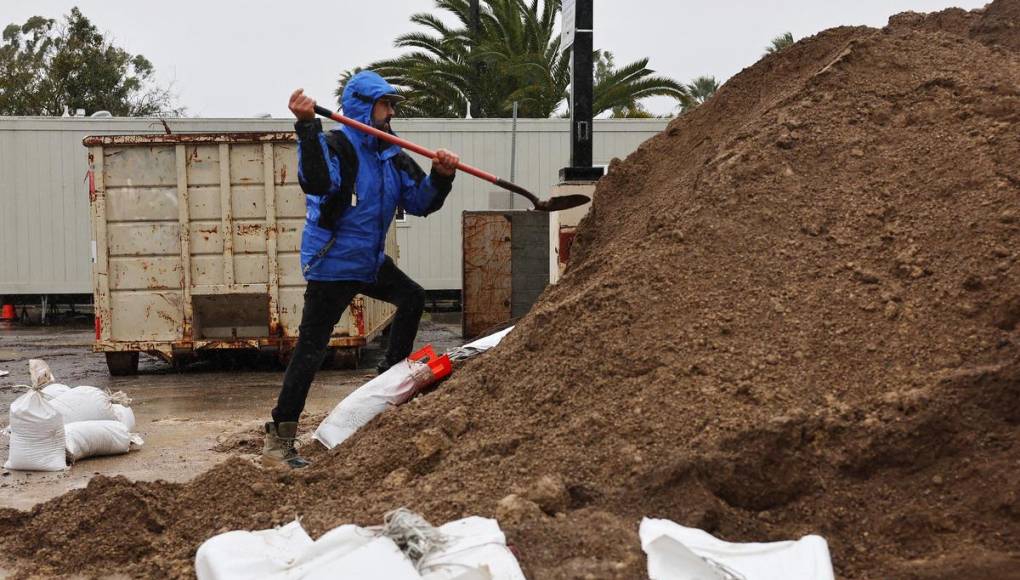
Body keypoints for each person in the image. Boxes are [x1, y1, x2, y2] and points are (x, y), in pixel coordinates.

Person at [263, 71, 459, 468]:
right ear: (362, 107)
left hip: (368, 262)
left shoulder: (391, 154)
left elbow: (421, 203)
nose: (390, 112)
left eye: (390, 105)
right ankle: (279, 441)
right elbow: (316, 184)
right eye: (384, 104)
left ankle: (387, 383)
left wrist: (442, 175)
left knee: (412, 297)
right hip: (332, 264)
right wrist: (305, 126)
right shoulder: (335, 145)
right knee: (312, 350)